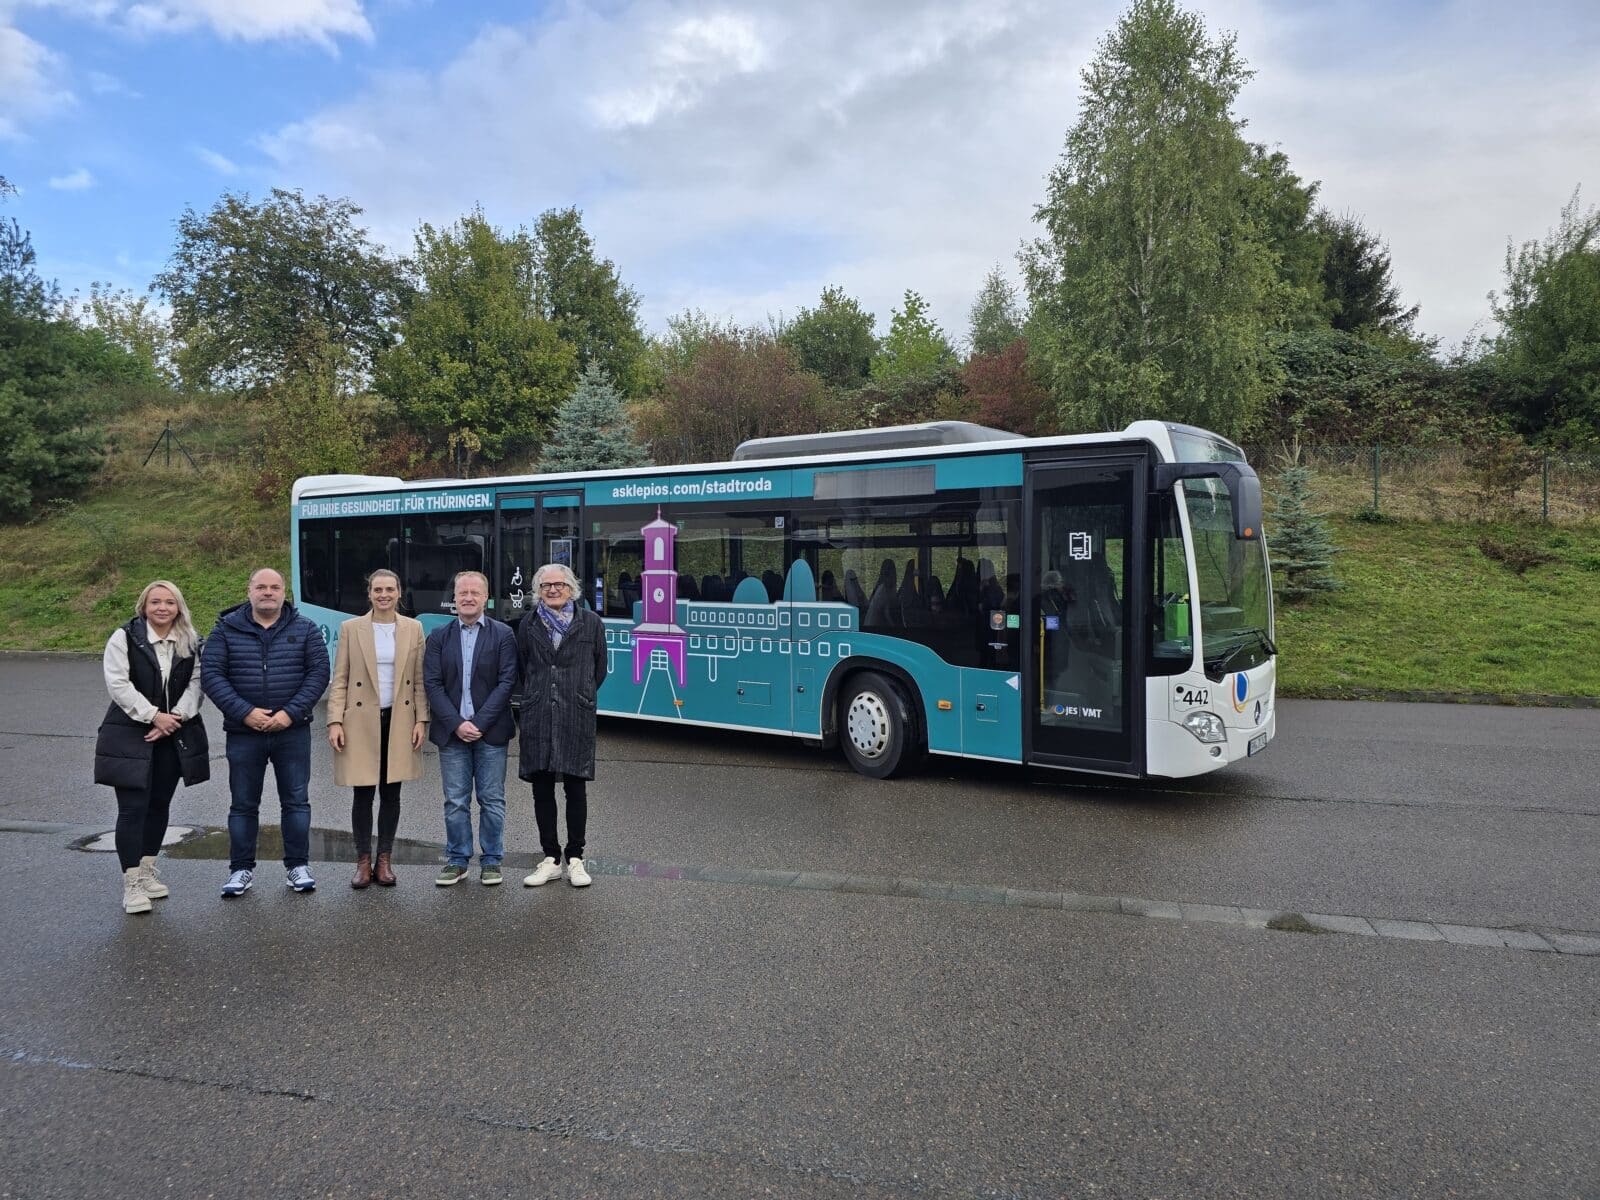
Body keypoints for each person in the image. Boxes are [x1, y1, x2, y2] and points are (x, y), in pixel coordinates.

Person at [201, 567, 330, 898]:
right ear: (249, 591)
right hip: (244, 733)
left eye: (274, 587)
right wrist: (245, 713)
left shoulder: (305, 629)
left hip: (292, 731)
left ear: (284, 591)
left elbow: (318, 673)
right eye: (261, 587)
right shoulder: (225, 630)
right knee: (243, 804)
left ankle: (297, 866)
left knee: (296, 802)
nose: (268, 592)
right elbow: (213, 675)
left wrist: (290, 713)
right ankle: (240, 869)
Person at [94, 580, 211, 915]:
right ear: (144, 606)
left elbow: (197, 682)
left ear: (179, 607)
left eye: (169, 602)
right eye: (155, 602)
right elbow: (118, 683)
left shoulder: (191, 640)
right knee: (132, 809)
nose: (162, 608)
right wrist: (152, 716)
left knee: (159, 805)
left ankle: (146, 870)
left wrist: (176, 716)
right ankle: (131, 883)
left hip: (174, 732)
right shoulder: (124, 638)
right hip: (131, 733)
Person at [326, 569, 429, 889]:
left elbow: (420, 680)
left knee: (391, 793)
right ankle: (362, 861)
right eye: (377, 589)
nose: (384, 594)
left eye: (390, 589)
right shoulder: (351, 628)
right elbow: (339, 679)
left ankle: (384, 859)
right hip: (360, 721)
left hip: (399, 718)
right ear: (369, 594)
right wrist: (334, 720)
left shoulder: (414, 628)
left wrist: (421, 719)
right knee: (363, 791)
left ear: (399, 593)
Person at [423, 570, 518, 887]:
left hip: (490, 732)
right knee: (456, 801)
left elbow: (507, 683)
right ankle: (458, 860)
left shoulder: (503, 634)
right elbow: (432, 685)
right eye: (462, 592)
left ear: (485, 598)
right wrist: (456, 723)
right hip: (452, 735)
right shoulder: (438, 636)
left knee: (492, 799)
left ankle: (491, 860)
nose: (467, 597)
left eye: (474, 593)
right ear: (454, 597)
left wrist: (477, 723)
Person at [518, 563, 609, 889]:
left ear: (572, 589)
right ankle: (551, 859)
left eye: (559, 584)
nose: (553, 590)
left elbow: (600, 669)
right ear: (538, 591)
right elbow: (524, 667)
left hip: (575, 713)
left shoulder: (591, 624)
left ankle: (575, 858)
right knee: (541, 787)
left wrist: (578, 694)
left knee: (575, 786)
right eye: (546, 586)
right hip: (539, 713)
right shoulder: (527, 625)